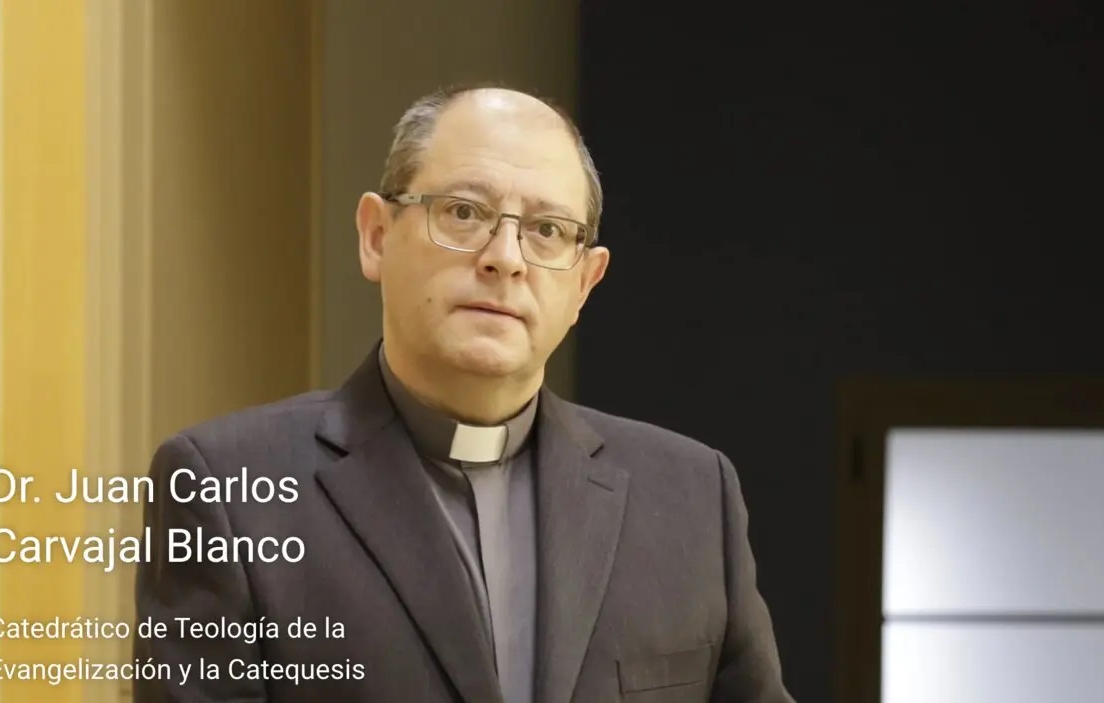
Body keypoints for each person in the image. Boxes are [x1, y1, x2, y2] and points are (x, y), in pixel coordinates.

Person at [133, 84, 794, 703]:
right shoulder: (227, 489)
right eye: (463, 212)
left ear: (584, 284)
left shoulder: (691, 496)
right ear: (376, 236)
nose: (505, 257)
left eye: (547, 230)